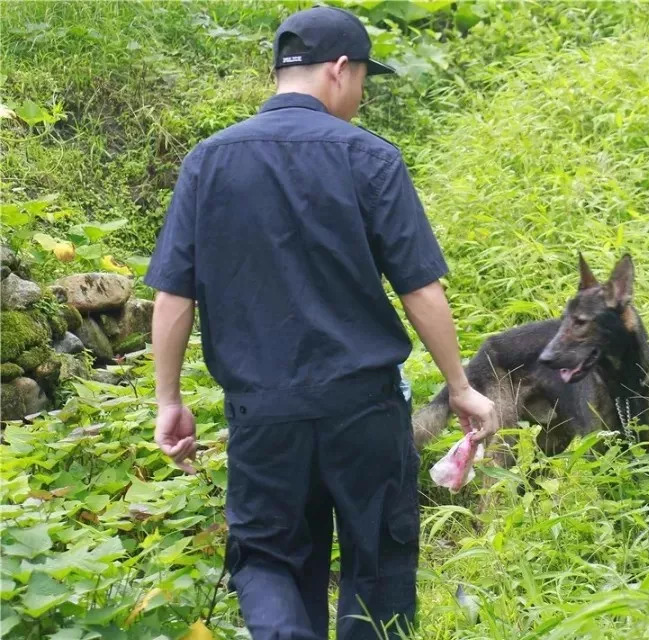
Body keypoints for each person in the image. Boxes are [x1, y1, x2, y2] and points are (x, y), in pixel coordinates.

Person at [144, 6, 498, 639]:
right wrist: (461, 384)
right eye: (362, 78)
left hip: (263, 413)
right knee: (379, 560)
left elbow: (173, 297)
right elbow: (420, 287)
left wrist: (167, 399)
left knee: (269, 559)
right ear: (339, 69)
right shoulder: (371, 158)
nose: (360, 95)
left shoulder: (209, 161)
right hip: (362, 408)